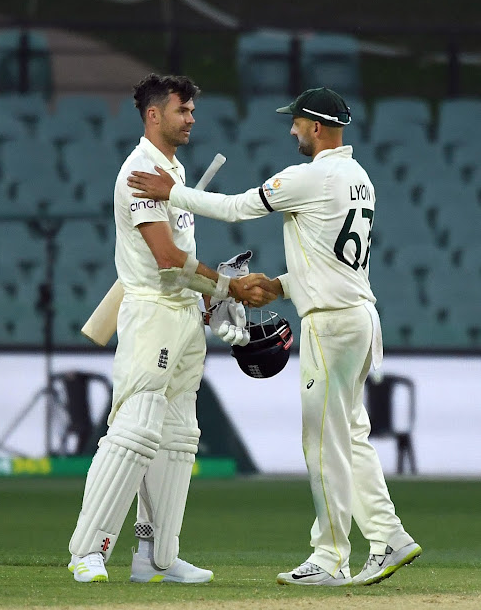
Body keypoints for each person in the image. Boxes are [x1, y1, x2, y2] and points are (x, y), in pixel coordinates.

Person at [127, 87, 422, 587]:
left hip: (331, 325)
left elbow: (238, 208)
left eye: (298, 122)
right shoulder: (359, 178)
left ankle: (330, 558)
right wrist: (280, 286)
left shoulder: (309, 176)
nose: (292, 130)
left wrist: (169, 192)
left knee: (323, 444)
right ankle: (389, 536)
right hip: (358, 315)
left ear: (317, 126)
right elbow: (332, 258)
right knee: (350, 435)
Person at [67, 73, 278, 584]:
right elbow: (165, 258)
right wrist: (226, 285)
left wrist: (210, 294)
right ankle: (87, 551)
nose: (191, 119)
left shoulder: (174, 171)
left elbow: (181, 261)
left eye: (191, 111)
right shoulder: (141, 170)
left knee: (180, 436)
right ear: (153, 115)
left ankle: (156, 557)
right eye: (182, 110)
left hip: (183, 315)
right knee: (135, 429)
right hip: (152, 313)